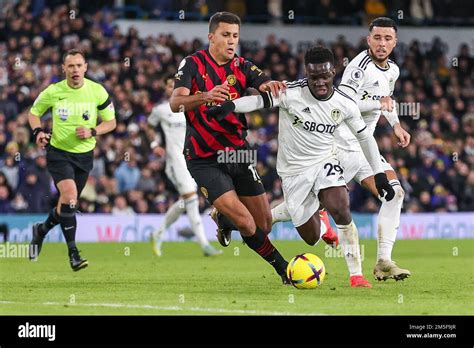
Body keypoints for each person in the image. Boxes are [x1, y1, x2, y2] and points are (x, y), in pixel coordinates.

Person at [206, 46, 396, 287]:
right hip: (294, 173)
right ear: (307, 73)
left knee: (341, 208)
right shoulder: (290, 92)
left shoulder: (344, 103)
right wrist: (231, 106)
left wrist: (379, 175)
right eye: (314, 77)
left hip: (325, 161)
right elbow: (258, 100)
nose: (320, 83)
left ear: (333, 73)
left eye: (325, 76)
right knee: (312, 238)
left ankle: (356, 275)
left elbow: (365, 138)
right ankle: (228, 220)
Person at [273, 17, 411, 282]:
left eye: (388, 39)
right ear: (368, 39)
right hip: (341, 145)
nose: (382, 44)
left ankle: (383, 260)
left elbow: (386, 101)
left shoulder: (392, 70)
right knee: (308, 206)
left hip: (363, 145)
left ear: (395, 42)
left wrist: (395, 125)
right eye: (377, 38)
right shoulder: (358, 68)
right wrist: (376, 103)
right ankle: (249, 218)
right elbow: (343, 104)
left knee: (395, 193)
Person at [170, 11, 289, 283]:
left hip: (239, 152)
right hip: (203, 158)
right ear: (211, 36)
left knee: (264, 224)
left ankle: (223, 219)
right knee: (247, 224)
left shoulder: (242, 66)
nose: (231, 41)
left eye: (235, 35)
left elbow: (263, 83)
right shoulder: (192, 64)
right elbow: (175, 103)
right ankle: (284, 268)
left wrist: (269, 85)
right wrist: (205, 96)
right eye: (225, 35)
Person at [28, 49, 116, 271]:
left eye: (79, 65)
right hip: (58, 153)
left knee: (67, 204)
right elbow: (33, 112)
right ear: (63, 69)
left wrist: (92, 131)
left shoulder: (97, 91)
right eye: (71, 66)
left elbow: (111, 122)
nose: (75, 70)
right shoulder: (54, 91)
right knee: (70, 197)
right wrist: (38, 132)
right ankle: (73, 253)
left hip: (84, 156)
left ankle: (41, 230)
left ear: (85, 67)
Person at [148, 76, 222, 257]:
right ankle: (204, 244)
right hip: (175, 161)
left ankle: (157, 234)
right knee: (191, 199)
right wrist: (154, 145)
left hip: (192, 159)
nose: (172, 88)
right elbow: (149, 126)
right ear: (165, 90)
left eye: (175, 85)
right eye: (168, 86)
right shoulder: (161, 110)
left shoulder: (190, 107)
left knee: (185, 201)